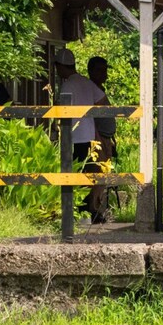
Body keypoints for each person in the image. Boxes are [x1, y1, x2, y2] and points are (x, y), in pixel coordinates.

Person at [55, 48, 109, 222]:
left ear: (60, 66)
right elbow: (103, 102)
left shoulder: (67, 85)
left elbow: (59, 110)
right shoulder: (86, 82)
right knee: (89, 175)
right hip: (90, 136)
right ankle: (90, 212)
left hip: (74, 137)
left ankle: (78, 214)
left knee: (76, 175)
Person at [88, 56, 116, 223]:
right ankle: (94, 209)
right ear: (91, 71)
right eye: (100, 70)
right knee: (98, 172)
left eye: (105, 70)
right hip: (98, 138)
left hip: (106, 137)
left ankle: (99, 207)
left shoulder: (99, 89)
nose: (104, 74)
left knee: (104, 173)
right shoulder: (90, 90)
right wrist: (98, 137)